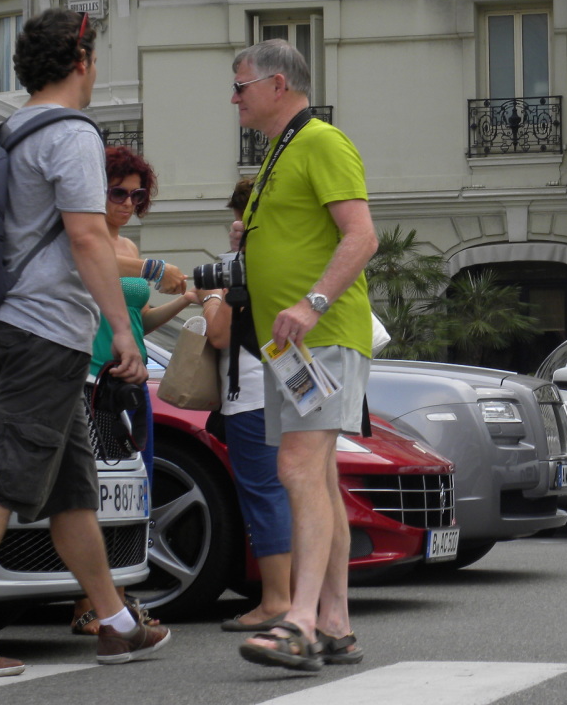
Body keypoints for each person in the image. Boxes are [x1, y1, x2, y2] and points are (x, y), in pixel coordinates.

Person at [0, 9, 169, 677]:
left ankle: (113, 622)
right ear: (83, 62)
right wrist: (118, 329)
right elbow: (87, 238)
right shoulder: (73, 134)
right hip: (42, 330)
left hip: (3, 324)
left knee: (70, 487)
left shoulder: (14, 129)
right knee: (3, 475)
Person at [230, 39, 377, 672]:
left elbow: (362, 235)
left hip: (320, 338)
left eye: (240, 85)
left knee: (296, 468)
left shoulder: (320, 141)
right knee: (315, 477)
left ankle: (298, 620)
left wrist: (312, 303)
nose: (233, 97)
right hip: (296, 348)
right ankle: (336, 625)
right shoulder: (280, 151)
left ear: (278, 84)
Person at [70, 145, 196, 636]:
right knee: (99, 491)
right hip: (93, 376)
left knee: (128, 493)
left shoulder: (127, 248)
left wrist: (183, 302)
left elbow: (138, 321)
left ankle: (114, 601)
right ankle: (93, 606)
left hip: (131, 376)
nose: (126, 202)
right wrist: (149, 270)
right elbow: (91, 263)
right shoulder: (88, 239)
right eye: (116, 192)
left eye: (135, 194)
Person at [198, 178, 294, 633]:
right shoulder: (297, 253)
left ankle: (276, 599)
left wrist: (213, 294)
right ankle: (303, 598)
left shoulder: (248, 262)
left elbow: (220, 334)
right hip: (296, 385)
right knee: (298, 493)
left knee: (264, 493)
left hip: (253, 392)